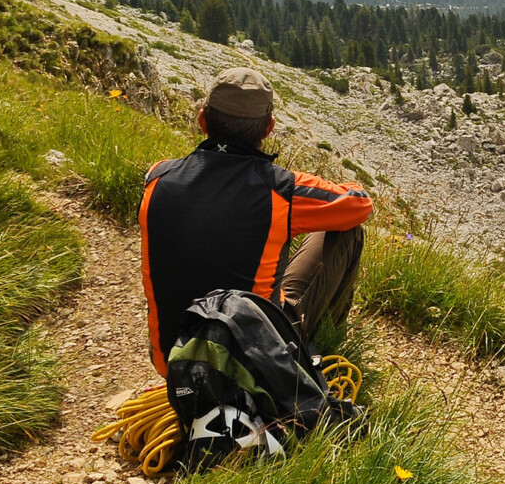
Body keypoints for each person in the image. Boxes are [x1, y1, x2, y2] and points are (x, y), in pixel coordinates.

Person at [139, 67, 372, 373]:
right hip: (252, 367)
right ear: (268, 128)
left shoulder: (156, 177)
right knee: (347, 231)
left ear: (202, 120)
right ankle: (321, 342)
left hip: (170, 360)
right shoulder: (281, 190)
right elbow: (359, 205)